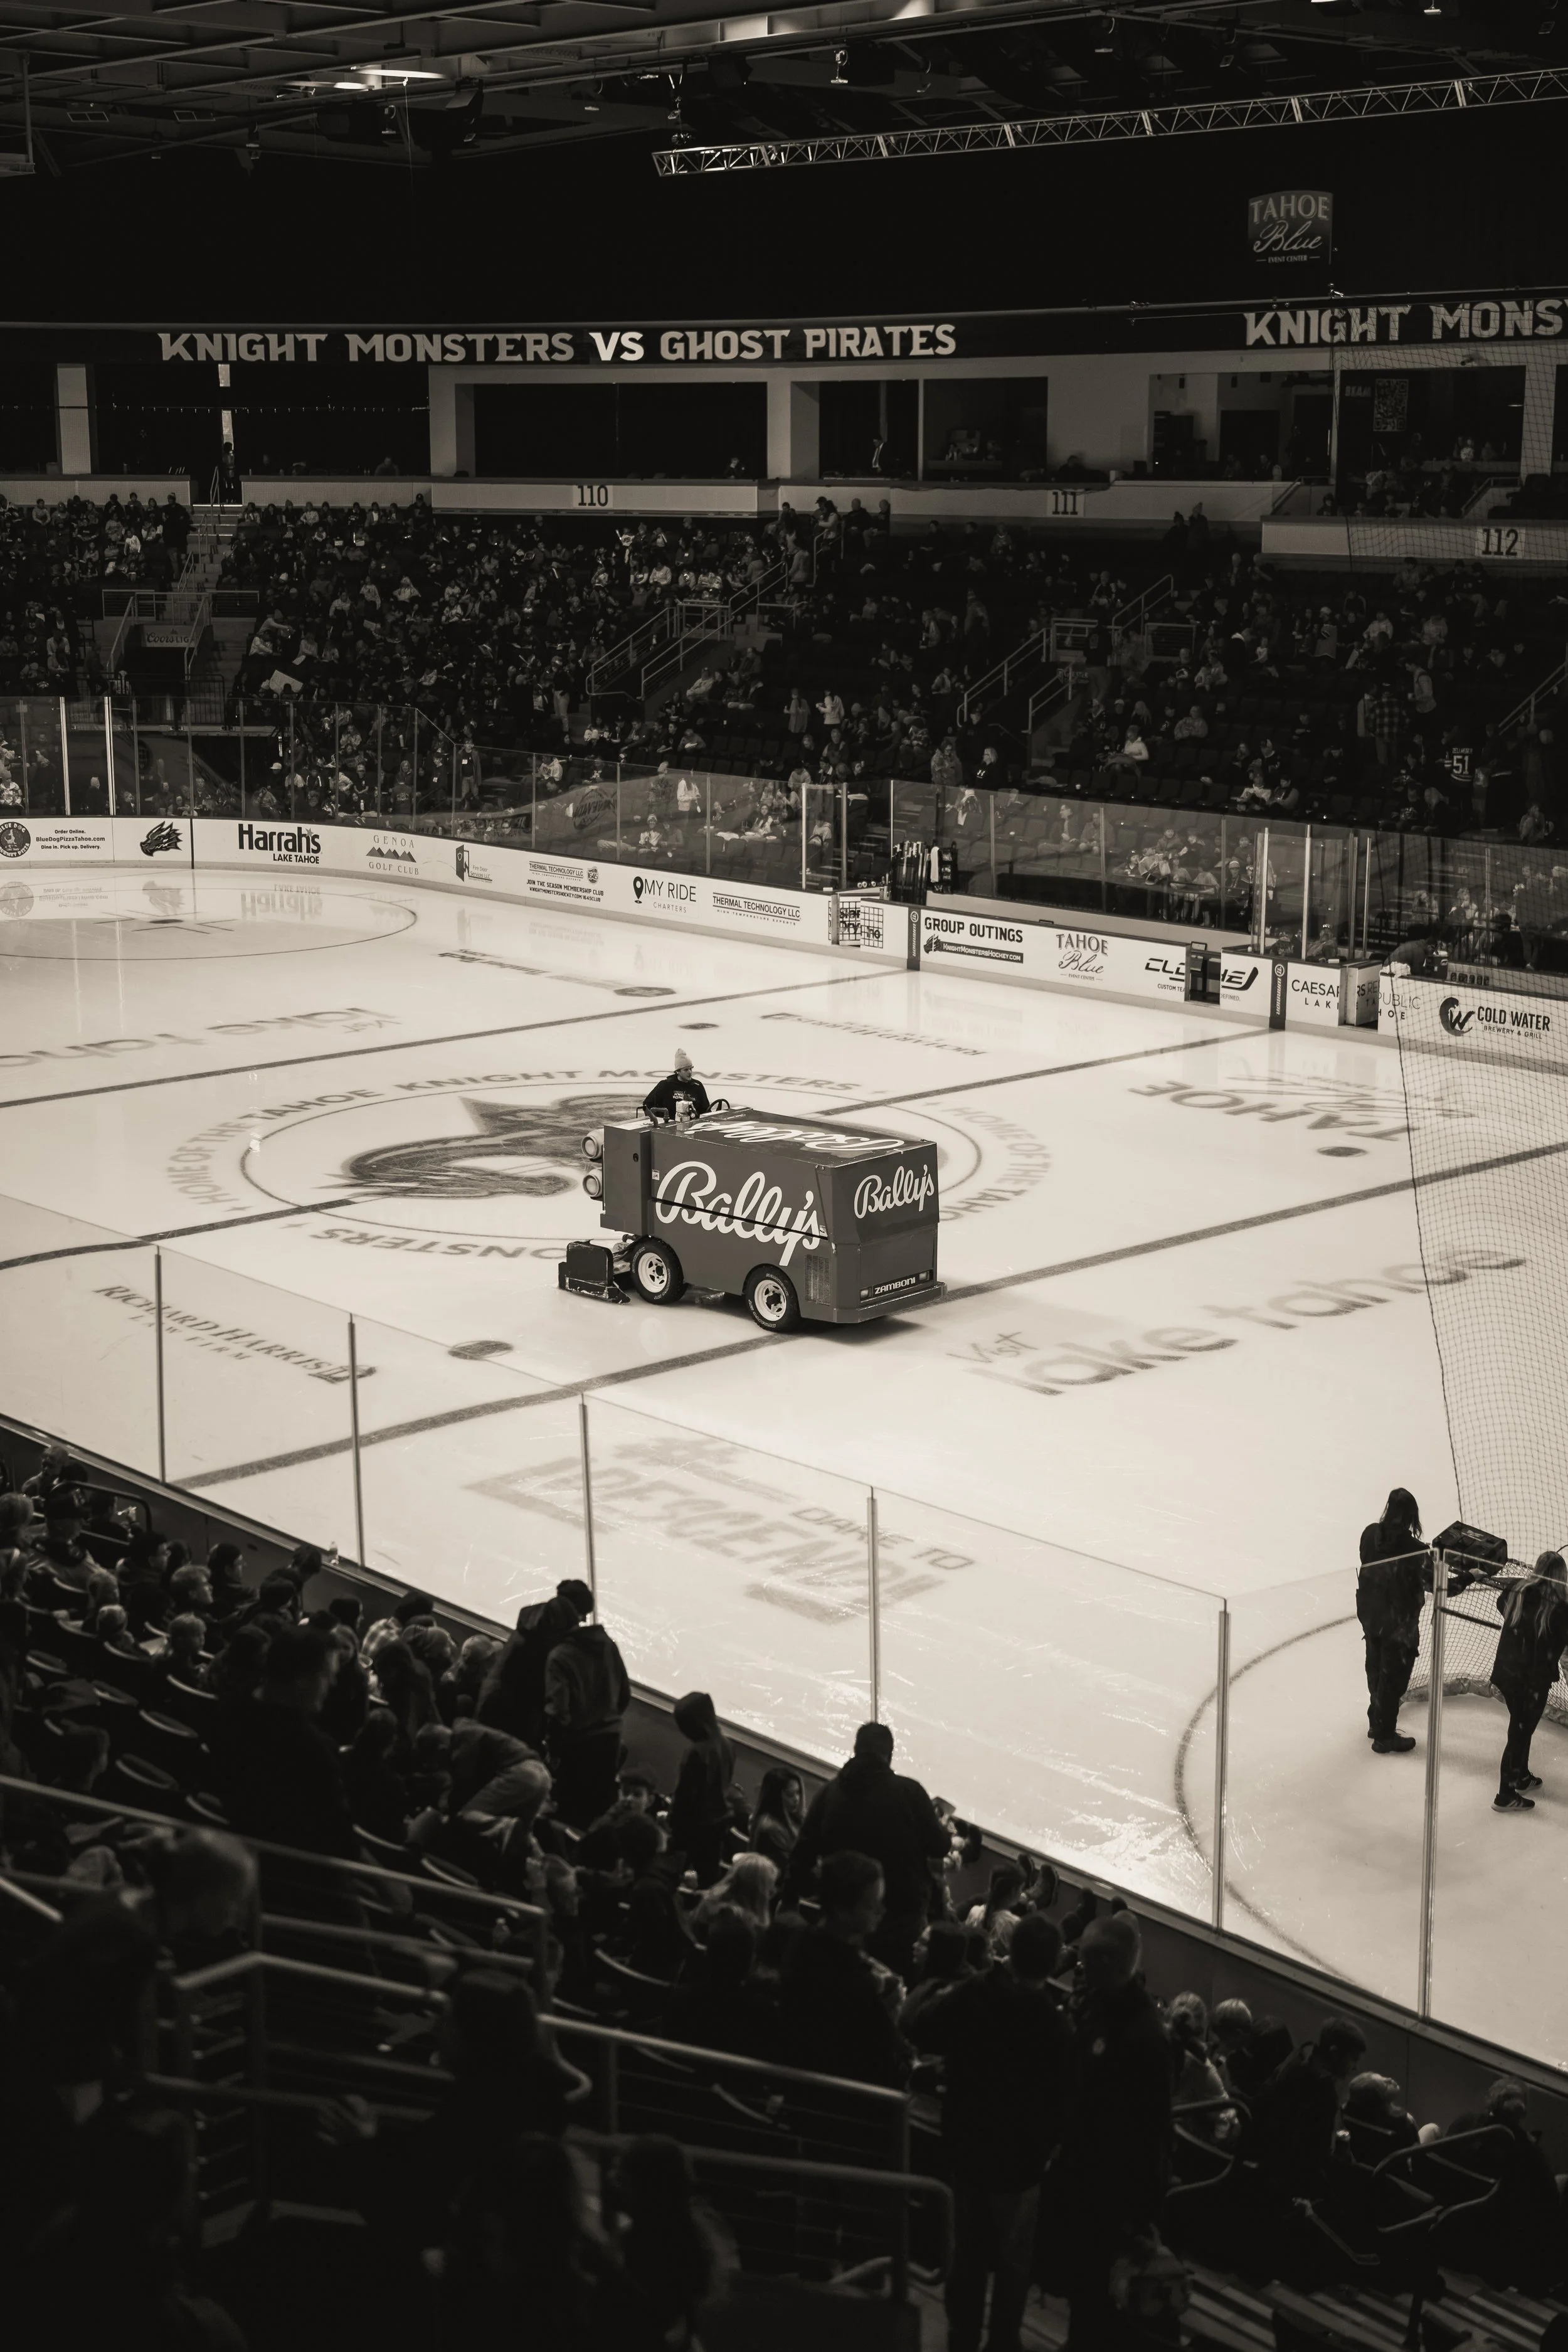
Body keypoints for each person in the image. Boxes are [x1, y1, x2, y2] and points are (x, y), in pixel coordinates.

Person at [906, 1910, 1074, 2352]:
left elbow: (919, 2025)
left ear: (1011, 1951)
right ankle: (1003, 2341)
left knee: (969, 2254)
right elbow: (1062, 2102)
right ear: (1054, 1963)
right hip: (1020, 2167)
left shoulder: (975, 1993)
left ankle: (961, 2338)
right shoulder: (1056, 2026)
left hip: (968, 2148)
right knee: (1014, 2263)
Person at [1044, 1912, 1171, 2351]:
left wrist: (1142, 2213)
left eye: (1084, 1964)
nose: (1078, 1972)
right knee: (1083, 2283)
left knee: (1098, 2290)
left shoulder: (1145, 2038)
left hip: (1110, 2190)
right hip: (1079, 2174)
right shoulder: (1096, 2005)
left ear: (1105, 1965)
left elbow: (1151, 2132)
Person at [786, 1721, 948, 1974]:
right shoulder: (911, 1793)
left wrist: (788, 1908)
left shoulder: (829, 1794)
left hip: (841, 1919)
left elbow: (801, 1856)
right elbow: (939, 1846)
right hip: (901, 1916)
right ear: (890, 1755)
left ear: (855, 1750)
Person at [778, 1849, 907, 2087]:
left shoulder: (806, 1942)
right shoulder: (845, 1979)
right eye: (873, 1905)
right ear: (842, 1910)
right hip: (839, 2094)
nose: (882, 1911)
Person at [1490, 1553, 1568, 1812]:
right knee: (1520, 1732)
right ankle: (1505, 1794)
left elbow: (1502, 1605)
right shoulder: (1560, 1607)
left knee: (1522, 1726)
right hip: (1531, 1681)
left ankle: (1521, 1776)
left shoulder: (1518, 1590)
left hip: (1508, 1673)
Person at [545, 1601, 632, 1828]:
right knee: (599, 1806)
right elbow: (624, 1692)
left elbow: (559, 1710)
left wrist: (555, 1748)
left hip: (578, 1743)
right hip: (610, 1737)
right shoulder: (608, 1645)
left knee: (571, 1808)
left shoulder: (559, 1656)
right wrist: (610, 1719)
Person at [478, 1578, 593, 1749]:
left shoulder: (535, 1621)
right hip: (516, 1712)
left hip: (494, 1699)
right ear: (571, 1610)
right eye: (582, 1613)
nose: (583, 1620)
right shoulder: (552, 1635)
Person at [1357, 1488, 1430, 1754]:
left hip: (1372, 1618)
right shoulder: (1416, 1552)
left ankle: (1377, 1723)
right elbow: (1440, 1585)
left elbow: (1368, 1560)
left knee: (1375, 1671)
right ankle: (1385, 1736)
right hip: (1399, 1627)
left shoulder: (1369, 1534)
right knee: (1395, 1680)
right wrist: (1470, 1576)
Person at [667, 1690, 735, 1887]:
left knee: (673, 1870)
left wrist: (672, 1821)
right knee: (709, 1877)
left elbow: (684, 1796)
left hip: (692, 1824)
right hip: (718, 1821)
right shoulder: (728, 1745)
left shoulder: (696, 1753)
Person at [641, 1046, 710, 1122]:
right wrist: (658, 1122)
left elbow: (706, 1111)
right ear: (678, 1071)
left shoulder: (697, 1086)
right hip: (669, 1127)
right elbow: (648, 1104)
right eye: (686, 1070)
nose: (690, 1072)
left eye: (691, 1069)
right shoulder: (665, 1085)